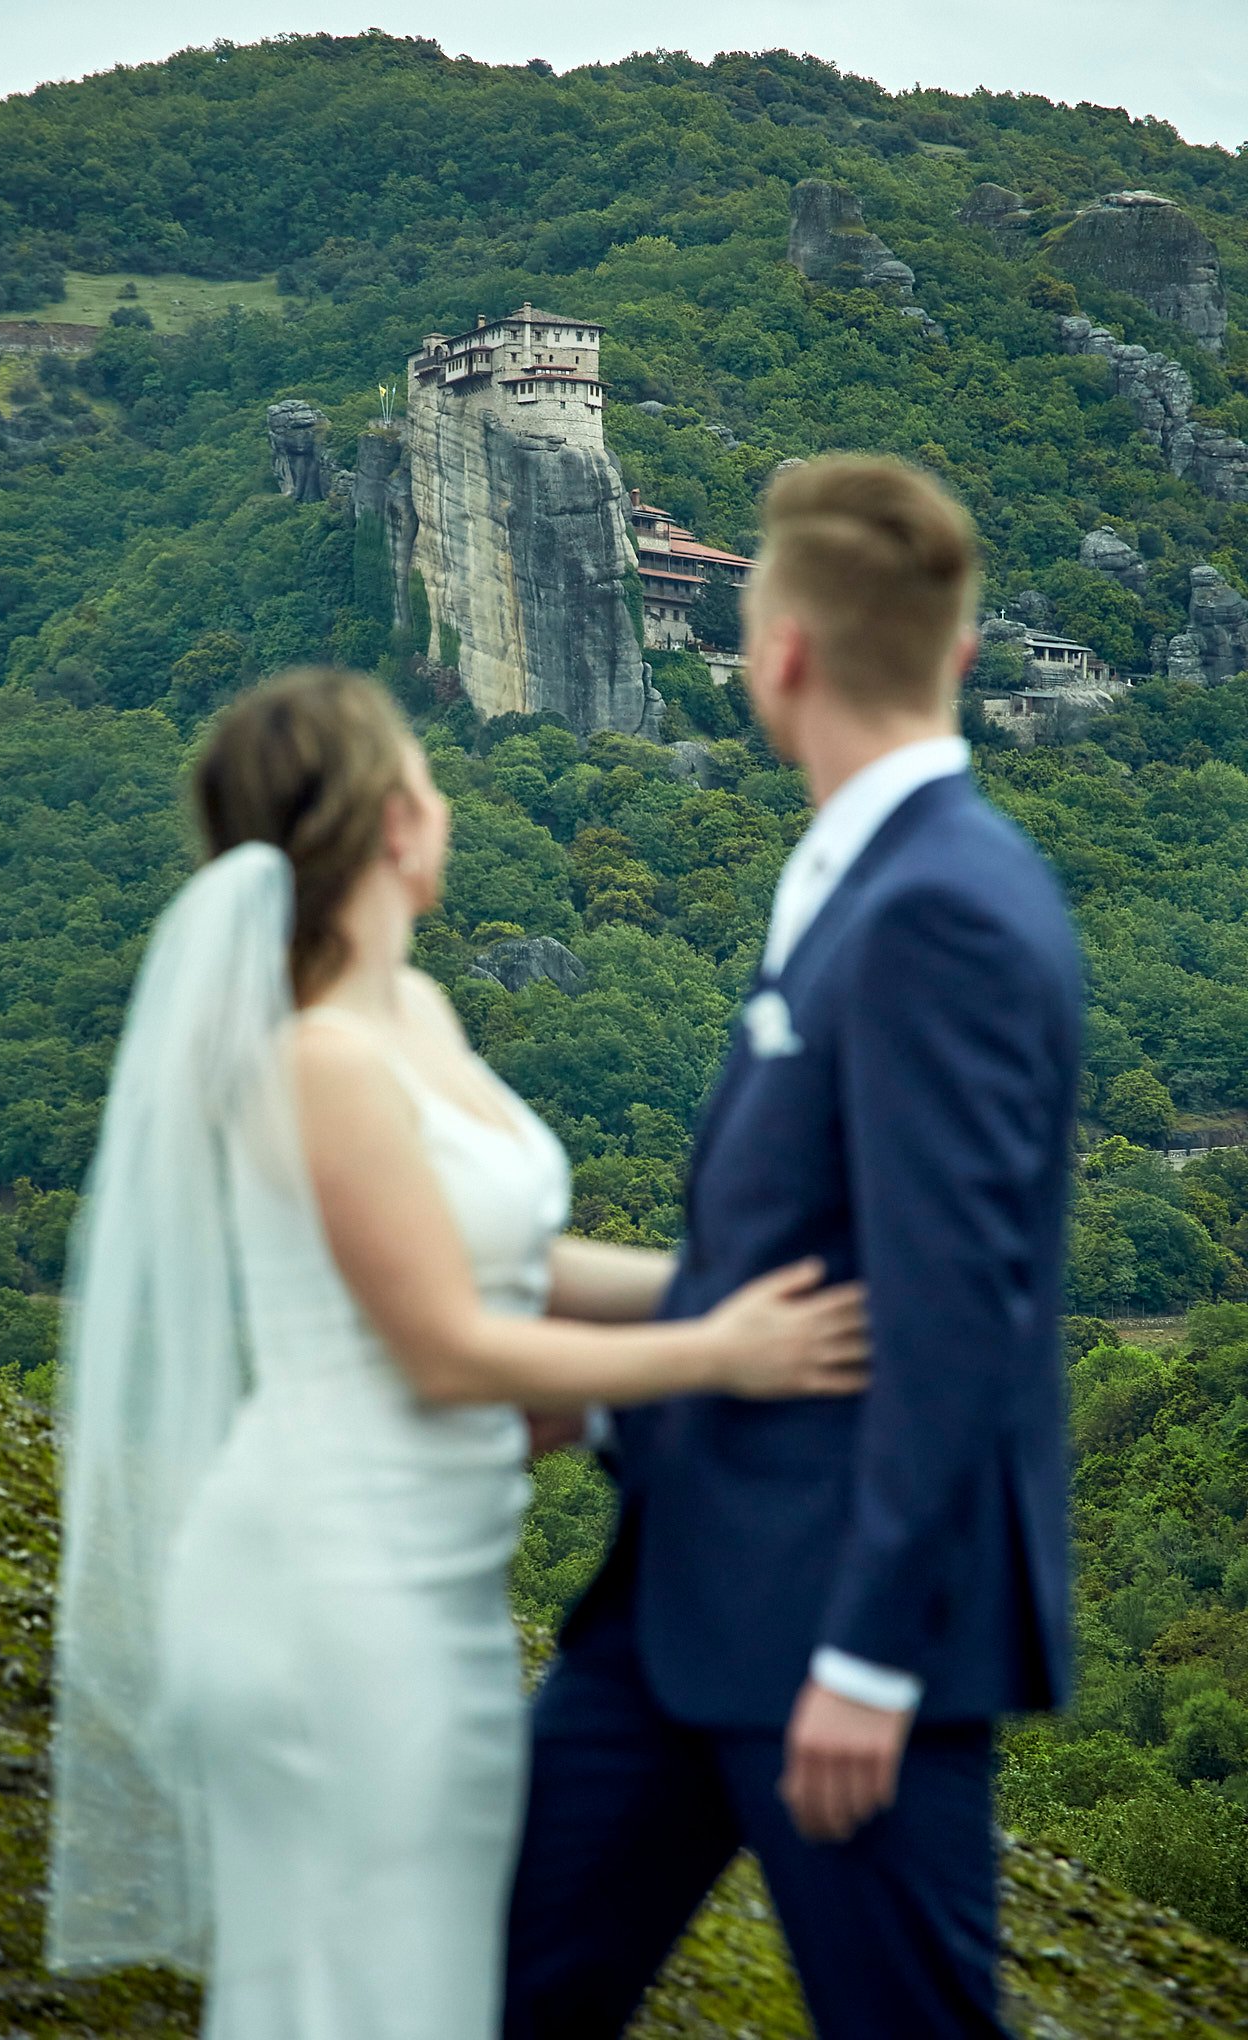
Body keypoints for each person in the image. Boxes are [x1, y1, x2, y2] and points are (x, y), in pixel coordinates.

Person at [45, 665, 869, 2040]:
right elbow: (443, 1347)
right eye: (422, 775)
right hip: (326, 1584)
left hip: (427, 1573)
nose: (444, 799)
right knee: (363, 1983)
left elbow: (514, 1262)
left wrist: (721, 1285)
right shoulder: (315, 1059)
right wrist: (724, 1347)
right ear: (385, 823)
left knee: (420, 1974)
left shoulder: (413, 1015)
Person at [504, 456, 1084, 2040]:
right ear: (959, 655)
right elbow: (806, 1260)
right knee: (502, 1988)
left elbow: (960, 1309)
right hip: (681, 1600)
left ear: (779, 655)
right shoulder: (857, 874)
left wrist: (877, 1662)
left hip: (834, 1630)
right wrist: (623, 1387)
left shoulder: (940, 907)